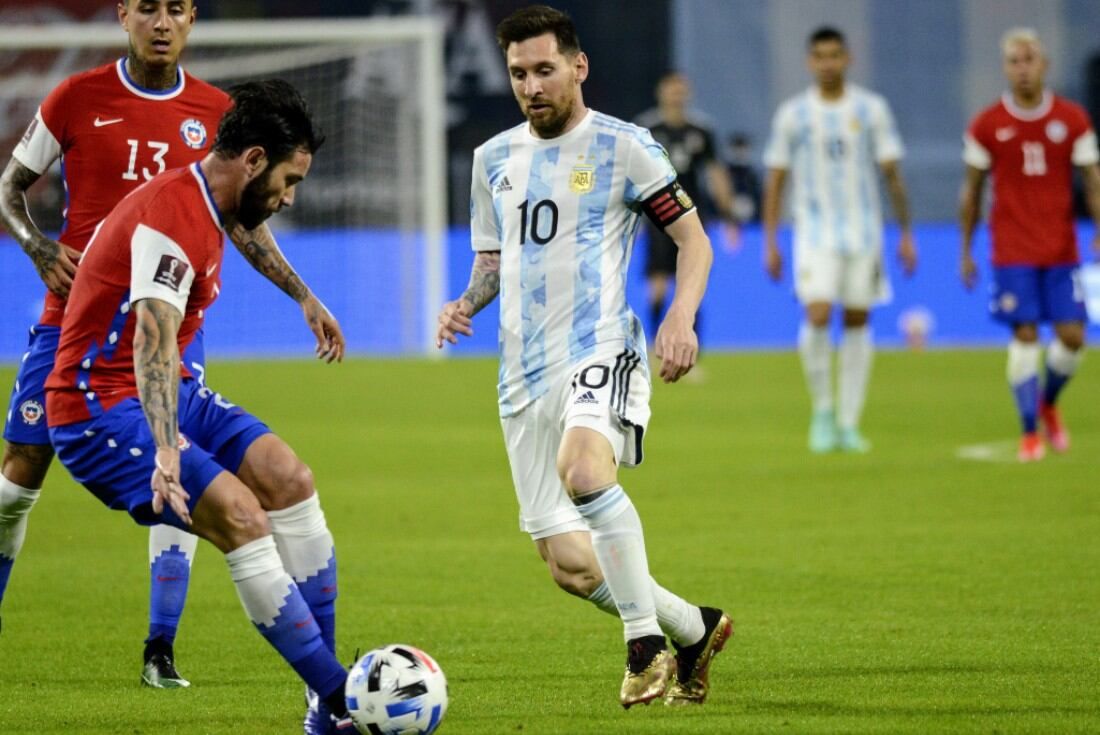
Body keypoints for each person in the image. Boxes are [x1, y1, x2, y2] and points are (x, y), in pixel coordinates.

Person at [0, 0, 344, 691]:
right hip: (85, 336)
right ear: (124, 14)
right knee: (20, 479)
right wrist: (38, 248)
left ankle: (172, 646)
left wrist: (301, 292)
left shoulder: (220, 120)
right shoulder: (78, 97)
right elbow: (11, 187)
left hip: (164, 336)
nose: (163, 22)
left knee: (273, 478)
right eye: (149, 8)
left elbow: (242, 219)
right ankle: (336, 693)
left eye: (179, 9)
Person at [436, 5, 731, 709]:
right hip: (521, 372)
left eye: (543, 69)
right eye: (517, 73)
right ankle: (693, 628)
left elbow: (694, 242)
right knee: (567, 563)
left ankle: (642, 646)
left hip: (600, 344)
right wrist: (464, 303)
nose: (531, 86)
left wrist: (680, 317)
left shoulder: (627, 147)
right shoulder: (493, 160)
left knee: (583, 468)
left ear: (578, 67)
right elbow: (493, 262)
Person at [762, 26, 917, 454]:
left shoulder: (871, 109)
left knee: (857, 320)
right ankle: (823, 411)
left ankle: (849, 422)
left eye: (835, 55)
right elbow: (776, 179)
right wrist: (770, 240)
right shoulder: (793, 114)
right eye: (820, 56)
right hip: (813, 232)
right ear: (810, 62)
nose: (828, 63)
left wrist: (905, 234)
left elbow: (892, 175)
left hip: (864, 231)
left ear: (846, 58)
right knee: (817, 311)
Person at [959, 28, 1100, 462]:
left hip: (1060, 248)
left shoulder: (1072, 119)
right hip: (1012, 248)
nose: (1023, 69)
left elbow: (1092, 180)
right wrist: (965, 248)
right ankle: (1028, 433)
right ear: (1005, 67)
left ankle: (1048, 404)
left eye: (1030, 60)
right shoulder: (988, 124)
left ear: (1045, 65)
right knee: (1024, 333)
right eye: (1015, 61)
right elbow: (973, 190)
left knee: (1073, 338)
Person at [635, 72, 736, 339]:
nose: (677, 95)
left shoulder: (701, 130)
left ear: (688, 94)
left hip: (692, 216)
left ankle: (692, 351)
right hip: (657, 217)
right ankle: (657, 346)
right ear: (661, 92)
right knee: (657, 286)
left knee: (690, 284)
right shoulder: (646, 129)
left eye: (681, 90)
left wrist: (727, 211)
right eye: (672, 90)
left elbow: (715, 172)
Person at [727, 133, 762, 225]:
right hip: (729, 218)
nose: (740, 151)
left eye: (742, 148)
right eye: (737, 148)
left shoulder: (752, 173)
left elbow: (757, 194)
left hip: (753, 219)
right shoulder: (727, 172)